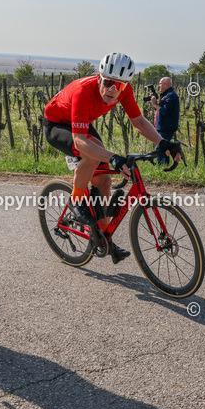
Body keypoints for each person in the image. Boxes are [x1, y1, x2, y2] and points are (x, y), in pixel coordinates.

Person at [43, 53, 180, 264]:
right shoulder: (83, 91)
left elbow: (139, 122)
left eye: (120, 85)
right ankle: (77, 199)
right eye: (108, 82)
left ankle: (103, 238)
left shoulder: (123, 91)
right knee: (95, 151)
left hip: (80, 122)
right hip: (57, 124)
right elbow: (79, 141)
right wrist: (114, 157)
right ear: (100, 77)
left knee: (104, 181)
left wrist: (163, 143)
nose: (113, 89)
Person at [151, 77, 180, 142]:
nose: (159, 86)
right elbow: (159, 109)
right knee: (165, 150)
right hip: (162, 129)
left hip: (166, 129)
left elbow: (165, 111)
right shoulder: (166, 95)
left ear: (166, 85)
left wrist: (155, 104)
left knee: (160, 150)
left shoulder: (171, 96)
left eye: (160, 84)